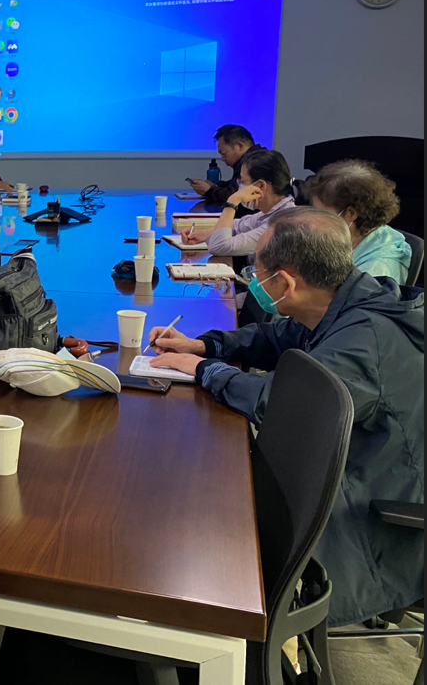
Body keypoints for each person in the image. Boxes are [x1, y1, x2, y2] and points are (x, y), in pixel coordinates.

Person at [148, 208, 423, 626]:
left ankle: (267, 637)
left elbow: (283, 405)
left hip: (379, 514)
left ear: (286, 282)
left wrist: (206, 371)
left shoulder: (365, 340)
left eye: (257, 273)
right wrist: (205, 345)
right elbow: (278, 336)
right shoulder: (347, 300)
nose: (253, 281)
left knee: (207, 511)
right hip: (359, 468)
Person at [304, 159, 412, 284]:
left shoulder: (376, 272)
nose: (315, 219)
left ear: (351, 214)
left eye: (322, 213)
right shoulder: (348, 237)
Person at [182, 149, 297, 256]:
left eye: (242, 181)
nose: (239, 186)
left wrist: (232, 202)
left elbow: (219, 247)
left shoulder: (282, 223)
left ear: (260, 186)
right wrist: (203, 233)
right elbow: (238, 226)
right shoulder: (275, 210)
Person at [186, 124, 266, 202]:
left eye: (224, 154)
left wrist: (209, 191)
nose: (223, 159)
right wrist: (215, 185)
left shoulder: (255, 162)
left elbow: (236, 195)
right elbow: (234, 185)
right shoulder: (255, 157)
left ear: (239, 146)